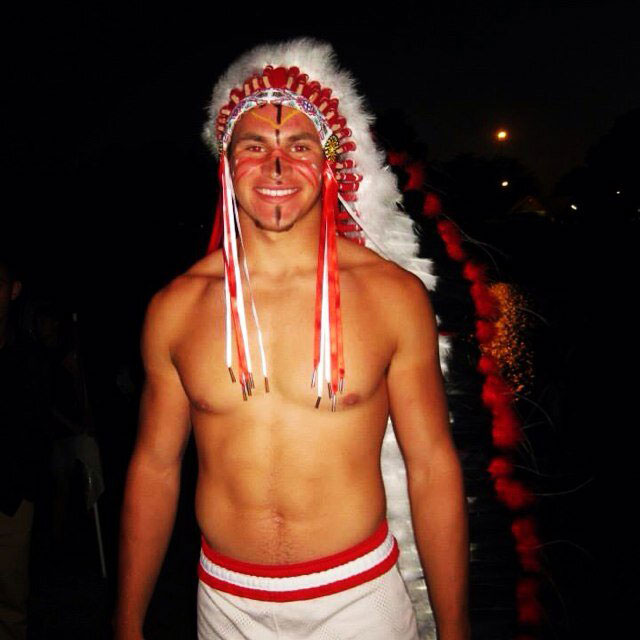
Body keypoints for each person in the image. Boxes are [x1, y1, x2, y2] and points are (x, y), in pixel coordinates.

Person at [115, 39, 469, 640]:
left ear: (329, 163)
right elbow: (154, 465)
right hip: (225, 604)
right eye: (255, 146)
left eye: (298, 146)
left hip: (359, 601)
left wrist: (456, 630)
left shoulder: (393, 296)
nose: (276, 167)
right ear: (227, 165)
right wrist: (125, 620)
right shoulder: (175, 308)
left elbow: (432, 464)